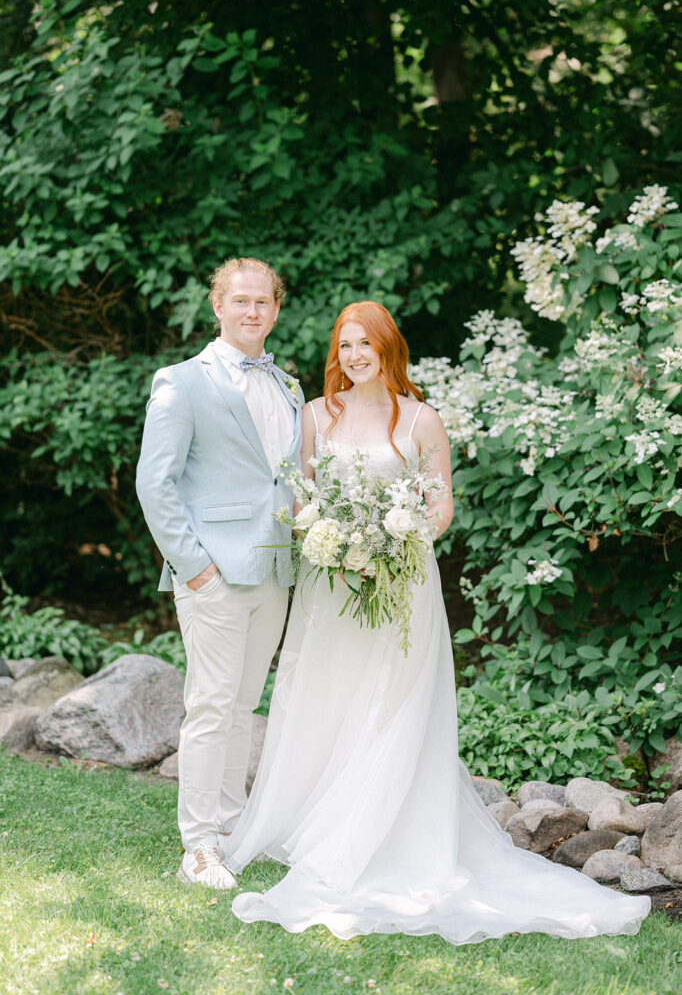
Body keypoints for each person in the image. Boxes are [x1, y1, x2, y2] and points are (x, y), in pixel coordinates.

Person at [219, 300, 651, 943]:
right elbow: (302, 496)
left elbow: (439, 501)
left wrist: (395, 545)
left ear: (389, 349)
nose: (354, 356)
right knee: (326, 694)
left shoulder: (422, 419)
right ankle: (311, 820)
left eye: (366, 344)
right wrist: (331, 542)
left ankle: (378, 833)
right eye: (345, 346)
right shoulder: (314, 416)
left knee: (392, 700)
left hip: (401, 583)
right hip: (329, 589)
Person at [136, 257, 303, 890]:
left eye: (263, 302)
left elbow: (284, 481)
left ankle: (231, 828)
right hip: (212, 573)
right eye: (240, 302)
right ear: (218, 307)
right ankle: (198, 845)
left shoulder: (288, 386)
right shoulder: (181, 381)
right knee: (209, 705)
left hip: (274, 569)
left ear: (276, 309)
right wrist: (194, 567)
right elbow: (156, 482)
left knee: (241, 705)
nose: (252, 312)